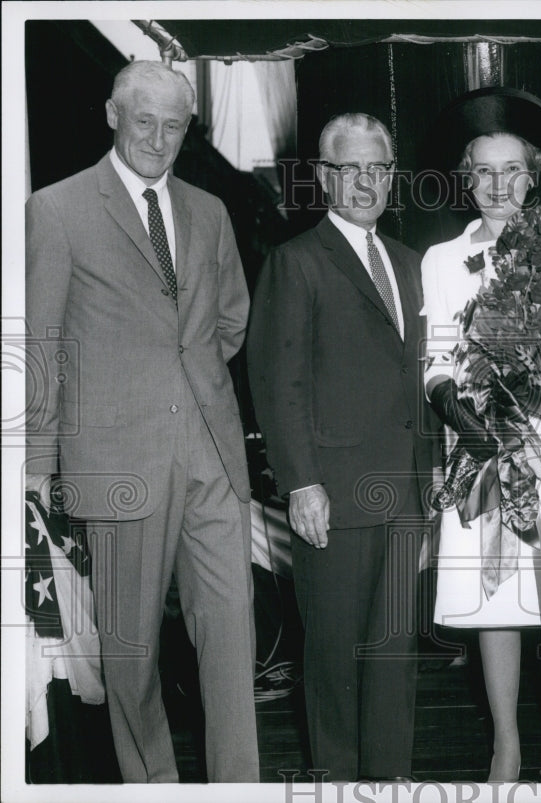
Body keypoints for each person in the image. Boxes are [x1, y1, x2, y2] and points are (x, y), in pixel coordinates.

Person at [24, 60, 258, 782]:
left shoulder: (210, 210)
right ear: (112, 115)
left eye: (175, 124)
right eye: (144, 120)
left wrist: (183, 386)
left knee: (231, 640)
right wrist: (36, 463)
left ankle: (237, 787)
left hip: (213, 455)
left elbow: (229, 321)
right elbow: (40, 344)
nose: (158, 138)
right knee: (131, 657)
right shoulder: (56, 209)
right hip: (118, 462)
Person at [421, 87, 541, 782]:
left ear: (533, 175)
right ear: (465, 177)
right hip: (478, 447)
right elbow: (437, 362)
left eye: (512, 170)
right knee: (494, 596)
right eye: (482, 171)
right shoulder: (441, 259)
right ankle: (505, 742)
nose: (497, 186)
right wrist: (476, 430)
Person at [246, 113, 434, 781]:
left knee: (394, 658)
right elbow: (278, 380)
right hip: (332, 493)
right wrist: (301, 482)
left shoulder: (410, 263)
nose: (365, 181)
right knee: (333, 664)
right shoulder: (296, 261)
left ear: (391, 176)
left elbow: (415, 381)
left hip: (403, 492)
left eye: (377, 168)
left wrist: (430, 484)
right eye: (349, 167)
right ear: (325, 177)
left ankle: (387, 782)